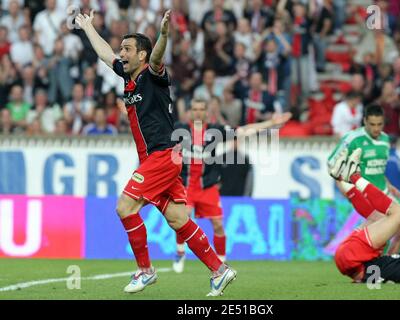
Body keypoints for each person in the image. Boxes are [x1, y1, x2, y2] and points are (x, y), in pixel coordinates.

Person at [75, 10, 236, 297]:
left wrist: (163, 34)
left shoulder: (153, 74)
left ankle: (146, 271)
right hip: (159, 159)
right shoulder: (128, 76)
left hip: (163, 155)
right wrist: (88, 28)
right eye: (121, 49)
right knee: (177, 219)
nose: (121, 53)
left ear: (142, 56)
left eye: (127, 49)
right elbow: (104, 53)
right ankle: (219, 270)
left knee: (125, 207)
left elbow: (159, 56)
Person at [172, 99, 291, 272]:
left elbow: (244, 130)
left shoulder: (215, 131)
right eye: (195, 109)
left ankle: (221, 261)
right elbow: (153, 126)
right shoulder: (179, 129)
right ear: (190, 112)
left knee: (218, 224)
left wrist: (271, 123)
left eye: (201, 109)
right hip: (186, 185)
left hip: (208, 186)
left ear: (207, 112)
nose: (198, 112)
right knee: (183, 217)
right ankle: (180, 252)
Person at [329, 148, 400, 283]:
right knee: (378, 218)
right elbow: (391, 255)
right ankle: (339, 177)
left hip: (353, 255)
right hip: (354, 267)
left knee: (399, 213)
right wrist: (398, 233)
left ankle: (354, 176)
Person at [328, 104, 400, 197]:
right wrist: (346, 192)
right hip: (362, 196)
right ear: (365, 121)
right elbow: (332, 164)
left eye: (379, 124)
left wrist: (389, 185)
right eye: (372, 124)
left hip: (383, 194)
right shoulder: (352, 139)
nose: (376, 129)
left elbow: (377, 169)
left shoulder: (385, 139)